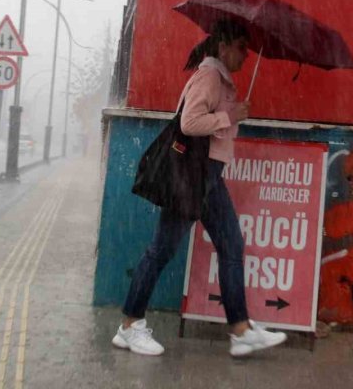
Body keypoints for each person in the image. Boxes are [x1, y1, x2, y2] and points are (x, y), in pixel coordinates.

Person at [112, 19, 287, 357]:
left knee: (231, 245)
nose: (245, 57)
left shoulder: (221, 80)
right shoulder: (209, 77)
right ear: (223, 46)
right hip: (193, 175)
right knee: (162, 249)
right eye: (241, 48)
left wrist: (231, 113)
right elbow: (190, 123)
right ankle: (130, 325)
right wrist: (231, 115)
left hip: (208, 176)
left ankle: (240, 330)